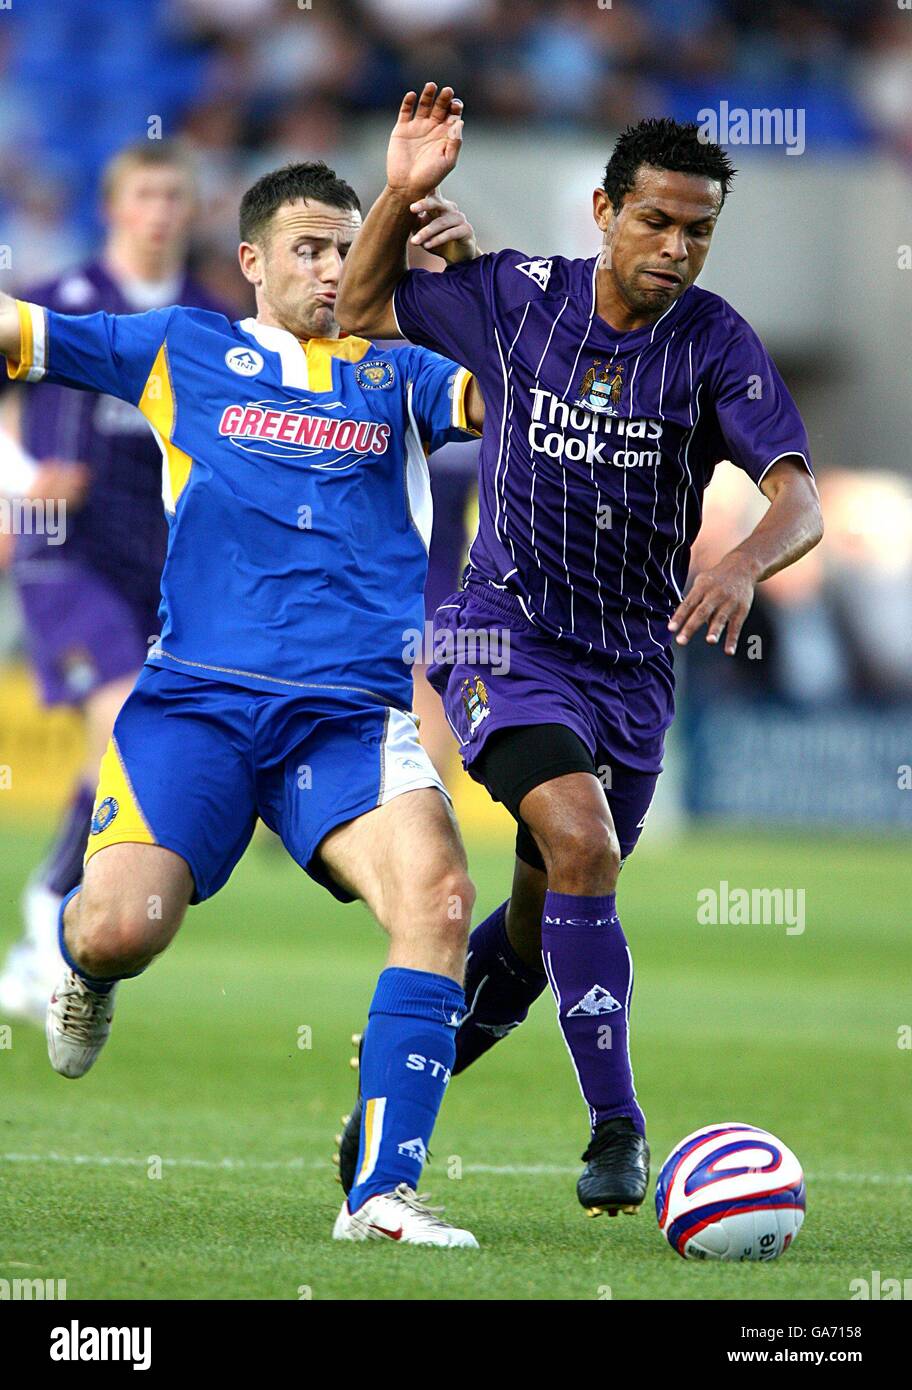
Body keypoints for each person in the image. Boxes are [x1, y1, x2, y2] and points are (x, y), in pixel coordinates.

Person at [334, 86, 824, 1218]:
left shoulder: (713, 344)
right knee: (579, 838)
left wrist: (744, 561)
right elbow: (358, 307)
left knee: (537, 922)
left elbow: (795, 496)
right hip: (498, 632)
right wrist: (402, 190)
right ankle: (618, 1124)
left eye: (698, 229)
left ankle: (407, 1086)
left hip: (631, 670)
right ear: (605, 210)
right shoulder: (517, 299)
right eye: (656, 221)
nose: (676, 247)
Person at [0, 158, 490, 1248]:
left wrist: (473, 286)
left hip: (348, 719)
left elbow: (514, 394)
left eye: (347, 247)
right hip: (197, 708)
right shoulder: (182, 347)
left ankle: (381, 1193)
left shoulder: (404, 371)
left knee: (442, 895)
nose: (329, 268)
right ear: (253, 263)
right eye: (307, 248)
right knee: (126, 923)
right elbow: (21, 332)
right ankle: (83, 965)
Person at [0, 140, 229, 1024]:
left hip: (167, 563)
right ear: (114, 207)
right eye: (146, 193)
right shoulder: (58, 302)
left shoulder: (211, 319)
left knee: (131, 748)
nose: (162, 209)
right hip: (66, 552)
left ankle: (40, 926)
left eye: (176, 193)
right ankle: (46, 915)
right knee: (122, 716)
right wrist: (21, 484)